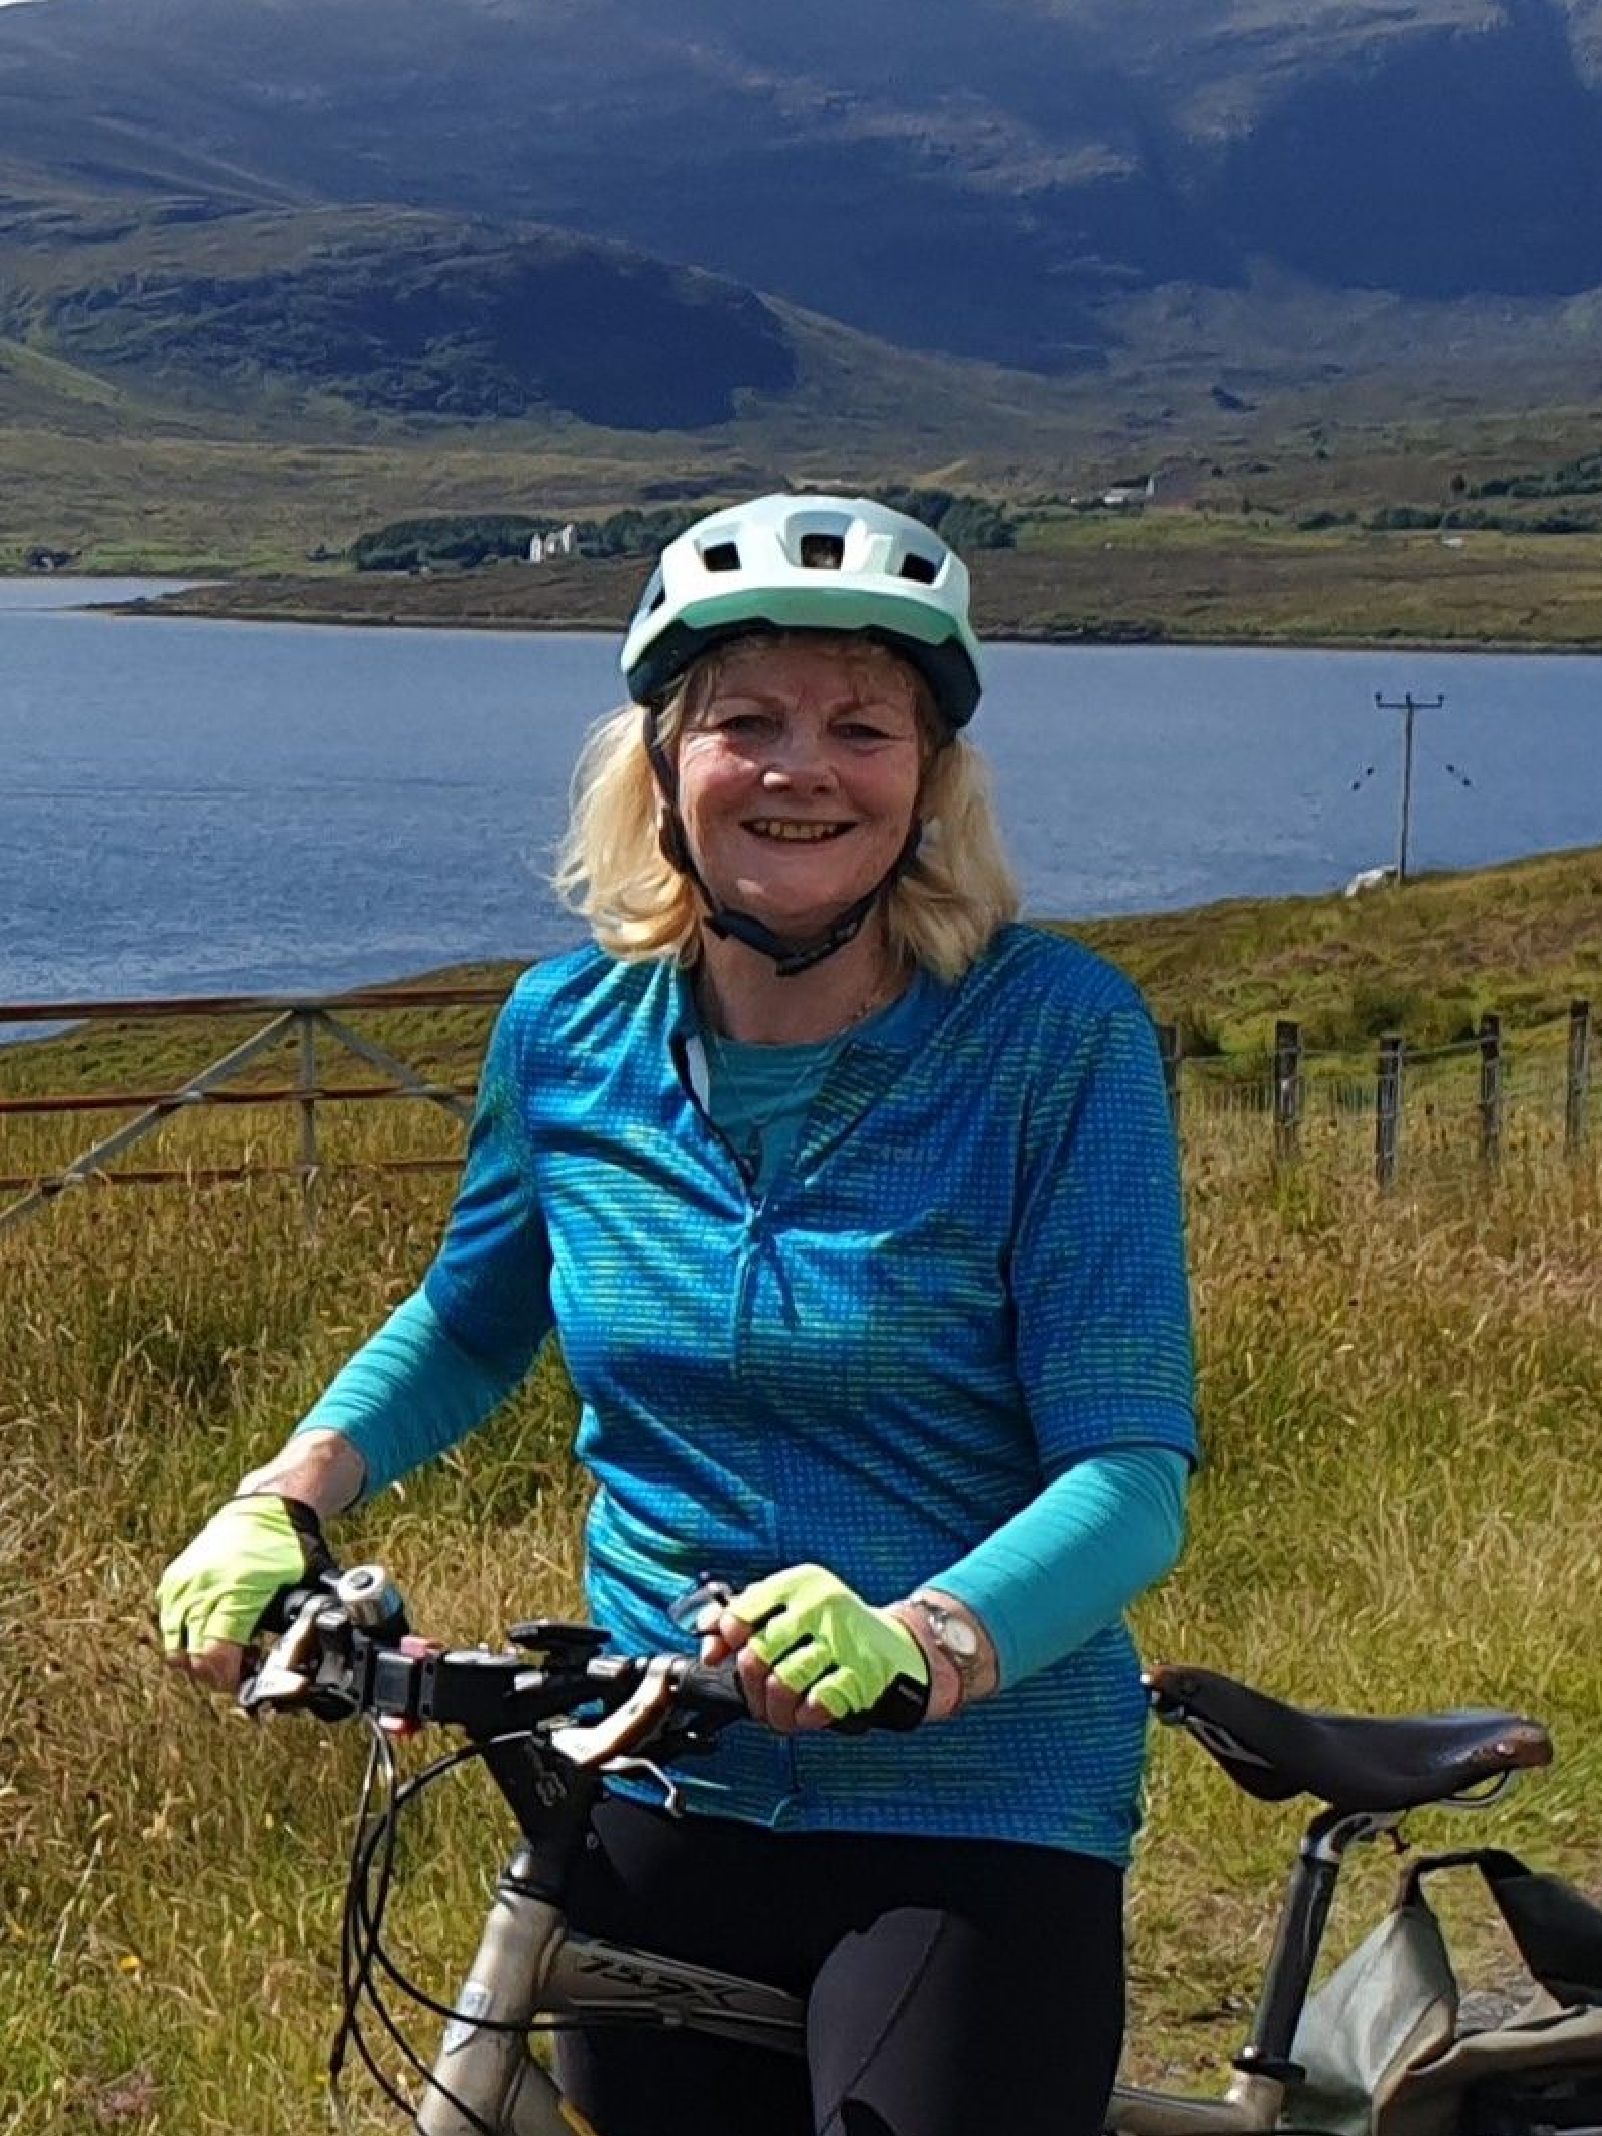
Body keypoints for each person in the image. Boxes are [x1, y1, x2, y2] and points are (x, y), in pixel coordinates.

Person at [157, 492, 1198, 2136]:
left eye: (861, 725)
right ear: (660, 765)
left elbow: (1127, 1472)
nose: (800, 767)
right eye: (746, 722)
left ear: (928, 780)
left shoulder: (1052, 1036)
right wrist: (283, 1493)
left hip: (973, 1795)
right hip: (654, 1758)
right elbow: (472, 1318)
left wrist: (920, 1642)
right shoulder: (568, 1030)